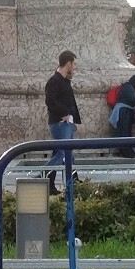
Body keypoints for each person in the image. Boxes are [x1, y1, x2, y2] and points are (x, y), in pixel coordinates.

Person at [43, 50, 81, 194]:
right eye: (74, 64)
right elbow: (50, 101)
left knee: (66, 153)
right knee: (63, 153)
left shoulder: (64, 81)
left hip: (66, 123)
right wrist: (64, 113)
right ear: (68, 64)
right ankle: (43, 176)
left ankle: (65, 182)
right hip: (59, 123)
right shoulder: (54, 81)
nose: (74, 67)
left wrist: (72, 119)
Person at [110, 75, 135, 158]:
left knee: (127, 132)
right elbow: (131, 99)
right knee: (124, 132)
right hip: (123, 112)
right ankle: (125, 151)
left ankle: (128, 151)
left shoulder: (130, 87)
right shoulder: (128, 87)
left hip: (126, 111)